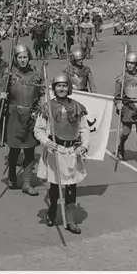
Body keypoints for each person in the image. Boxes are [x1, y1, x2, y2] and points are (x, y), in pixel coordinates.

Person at [34, 74, 89, 234]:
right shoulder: (47, 107)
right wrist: (47, 142)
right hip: (55, 150)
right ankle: (52, 211)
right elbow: (38, 129)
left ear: (69, 88)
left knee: (71, 186)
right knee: (55, 186)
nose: (62, 88)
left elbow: (84, 129)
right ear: (54, 88)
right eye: (58, 86)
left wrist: (84, 145)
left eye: (64, 85)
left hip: (72, 151)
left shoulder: (77, 107)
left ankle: (70, 220)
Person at [0, 45, 45, 195]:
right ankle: (11, 175)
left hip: (31, 116)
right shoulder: (9, 75)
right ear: (16, 59)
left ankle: (27, 183)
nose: (23, 60)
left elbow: (41, 92)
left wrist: (43, 106)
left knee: (30, 151)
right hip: (14, 116)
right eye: (20, 57)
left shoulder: (36, 75)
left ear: (29, 57)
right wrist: (1, 96)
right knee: (15, 150)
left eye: (25, 57)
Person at [114, 52, 137, 166]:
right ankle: (121, 146)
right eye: (128, 63)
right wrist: (118, 103)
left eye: (132, 63)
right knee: (126, 132)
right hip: (128, 107)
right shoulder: (121, 78)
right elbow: (116, 95)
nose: (130, 65)